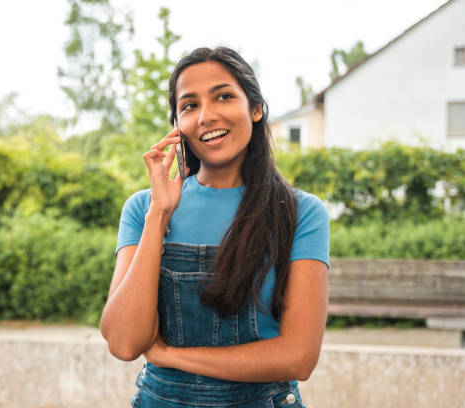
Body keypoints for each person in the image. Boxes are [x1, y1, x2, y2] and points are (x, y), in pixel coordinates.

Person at [100, 46, 329, 407]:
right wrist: (159, 216)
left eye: (223, 96)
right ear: (177, 126)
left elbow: (298, 357)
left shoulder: (301, 212)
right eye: (189, 105)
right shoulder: (143, 209)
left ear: (255, 109)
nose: (206, 116)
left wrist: (170, 356)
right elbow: (124, 342)